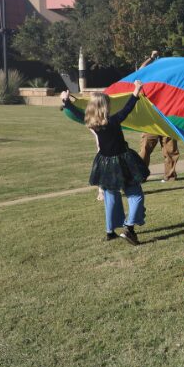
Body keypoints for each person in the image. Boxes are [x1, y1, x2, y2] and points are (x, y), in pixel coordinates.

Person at [61, 81, 149, 244]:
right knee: (136, 195)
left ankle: (110, 231)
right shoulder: (114, 121)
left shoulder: (91, 124)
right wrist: (136, 91)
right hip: (123, 163)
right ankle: (129, 228)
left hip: (105, 165)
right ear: (105, 108)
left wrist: (66, 101)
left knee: (111, 197)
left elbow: (76, 112)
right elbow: (127, 109)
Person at [138, 50, 180, 182]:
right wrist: (151, 58)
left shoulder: (171, 82)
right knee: (145, 149)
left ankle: (170, 176)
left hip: (168, 120)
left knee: (170, 151)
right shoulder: (148, 79)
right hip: (151, 120)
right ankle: (140, 175)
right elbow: (141, 70)